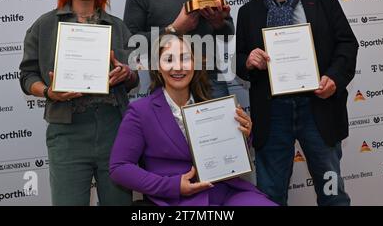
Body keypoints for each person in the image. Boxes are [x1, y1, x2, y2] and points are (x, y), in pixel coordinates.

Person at [236, 0, 359, 206]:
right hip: (273, 114)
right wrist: (248, 60)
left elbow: (347, 45)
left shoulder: (323, 0)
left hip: (319, 108)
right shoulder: (248, 12)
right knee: (271, 193)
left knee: (331, 190)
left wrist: (334, 79)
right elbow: (238, 60)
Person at [19, 0, 138, 206]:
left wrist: (126, 73)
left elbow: (134, 78)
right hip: (67, 132)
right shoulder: (45, 25)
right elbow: (27, 76)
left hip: (114, 130)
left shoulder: (117, 26)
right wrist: (49, 92)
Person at [109, 34, 276, 206]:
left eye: (185, 58)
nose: (178, 67)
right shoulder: (141, 111)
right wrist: (173, 186)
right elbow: (119, 167)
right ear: (158, 67)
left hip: (226, 192)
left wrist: (244, 135)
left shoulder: (212, 104)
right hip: (178, 200)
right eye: (169, 59)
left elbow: (229, 153)